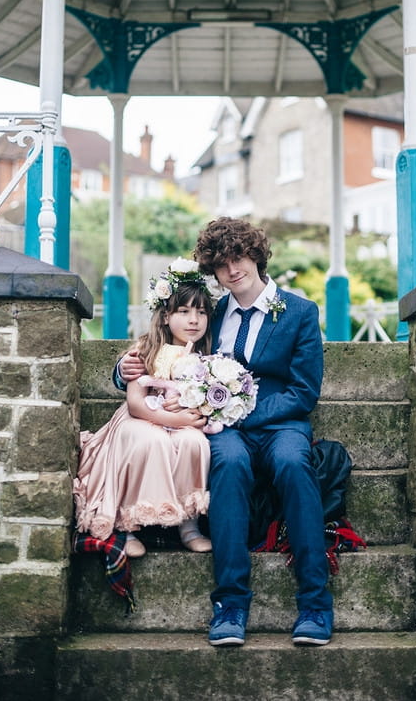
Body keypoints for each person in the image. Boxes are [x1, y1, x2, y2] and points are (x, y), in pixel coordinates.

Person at [116, 218, 333, 646]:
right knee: (229, 463)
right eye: (221, 265)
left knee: (293, 463)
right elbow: (164, 343)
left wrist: (241, 413)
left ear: (256, 256)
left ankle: (314, 604)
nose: (232, 270)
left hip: (279, 423)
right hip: (221, 430)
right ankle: (230, 604)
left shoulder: (301, 313)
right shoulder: (210, 314)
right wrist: (121, 371)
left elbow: (304, 391)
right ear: (214, 271)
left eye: (239, 259)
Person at [75, 260, 217, 558]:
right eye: (184, 311)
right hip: (141, 418)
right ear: (166, 316)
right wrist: (175, 419)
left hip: (182, 423)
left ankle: (188, 525)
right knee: (148, 440)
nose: (194, 320)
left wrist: (192, 418)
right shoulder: (145, 350)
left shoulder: (207, 357)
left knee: (194, 442)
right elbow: (136, 405)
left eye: (201, 312)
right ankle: (128, 525)